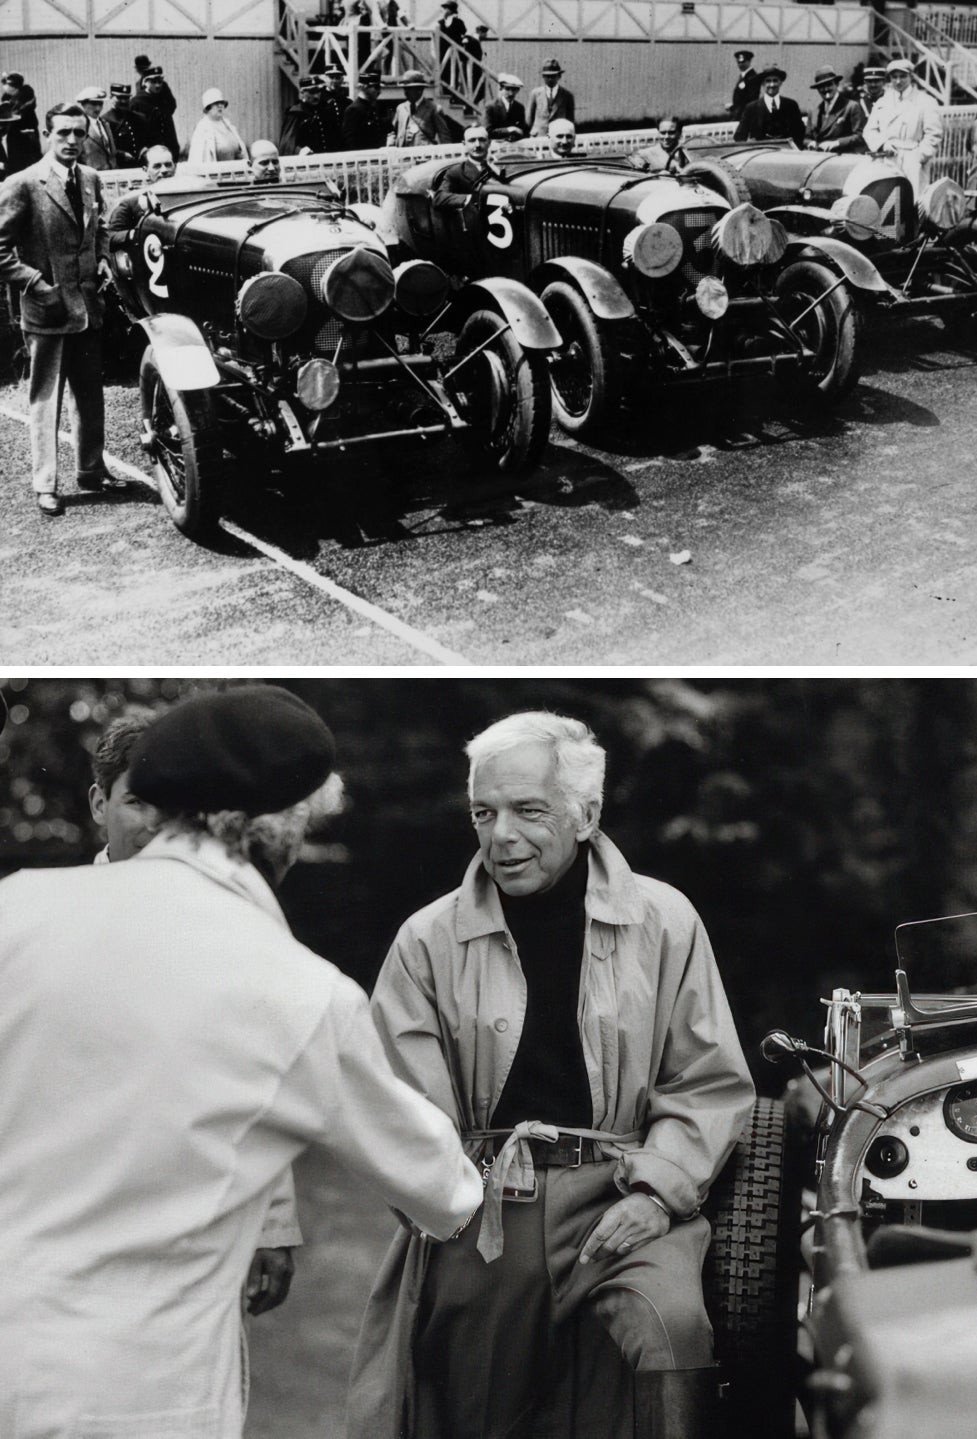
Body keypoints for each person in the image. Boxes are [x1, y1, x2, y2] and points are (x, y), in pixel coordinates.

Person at [0, 684, 483, 1439]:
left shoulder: (20, 907)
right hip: (136, 1392)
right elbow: (442, 1189)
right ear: (280, 827)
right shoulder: (298, 991)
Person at [349, 711, 755, 1439]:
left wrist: (658, 1194)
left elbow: (706, 1081)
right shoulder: (427, 938)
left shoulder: (663, 919)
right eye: (483, 811)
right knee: (476, 1396)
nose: (500, 834)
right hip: (487, 1202)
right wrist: (450, 1205)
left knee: (672, 1332)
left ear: (586, 813)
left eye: (527, 810)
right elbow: (400, 1106)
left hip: (626, 1186)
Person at [85, 706, 304, 1312]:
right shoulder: (51, 920)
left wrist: (274, 1225)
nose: (158, 827)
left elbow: (259, 1076)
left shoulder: (230, 926)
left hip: (197, 1224)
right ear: (99, 803)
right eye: (137, 803)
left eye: (175, 809)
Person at [0, 102, 128, 516]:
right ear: (47, 136)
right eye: (63, 133)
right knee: (46, 399)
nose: (72, 141)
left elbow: (101, 227)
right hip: (48, 310)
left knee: (90, 396)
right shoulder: (22, 184)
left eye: (78, 133)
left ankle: (92, 470)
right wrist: (35, 284)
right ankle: (46, 484)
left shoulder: (89, 178)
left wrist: (105, 257)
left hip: (88, 308)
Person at [862, 58, 943, 196]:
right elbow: (869, 130)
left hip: (911, 159)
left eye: (903, 76)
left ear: (911, 76)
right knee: (886, 201)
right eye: (894, 77)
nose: (898, 81)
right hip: (886, 158)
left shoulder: (925, 101)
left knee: (911, 202)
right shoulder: (883, 102)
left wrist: (920, 156)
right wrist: (882, 144)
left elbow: (933, 134)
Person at [106, 144, 176, 244]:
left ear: (175, 166)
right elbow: (109, 236)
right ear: (145, 170)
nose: (164, 170)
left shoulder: (190, 195)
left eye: (168, 165)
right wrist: (135, 234)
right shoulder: (132, 201)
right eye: (157, 166)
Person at [432, 123, 501, 208]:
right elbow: (439, 197)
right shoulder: (456, 172)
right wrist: (468, 199)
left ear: (489, 143)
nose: (477, 145)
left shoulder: (498, 168)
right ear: (464, 144)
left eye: (482, 140)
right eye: (472, 140)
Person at [734, 64, 806, 147]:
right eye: (768, 81)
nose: (772, 84)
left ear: (780, 83)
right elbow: (739, 136)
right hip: (761, 154)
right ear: (763, 84)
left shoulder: (791, 105)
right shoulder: (751, 108)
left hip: (786, 154)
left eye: (775, 80)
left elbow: (800, 133)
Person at [806, 65, 865, 152]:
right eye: (821, 86)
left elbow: (859, 136)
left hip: (841, 158)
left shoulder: (851, 106)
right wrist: (810, 143)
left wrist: (836, 143)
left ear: (836, 84)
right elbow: (806, 138)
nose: (825, 89)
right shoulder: (814, 111)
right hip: (818, 158)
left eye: (829, 85)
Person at [387, 69, 453, 147]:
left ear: (419, 90)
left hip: (424, 156)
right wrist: (390, 143)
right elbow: (393, 131)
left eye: (409, 89)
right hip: (403, 155)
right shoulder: (401, 108)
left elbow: (444, 137)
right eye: (404, 89)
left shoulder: (434, 109)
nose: (405, 92)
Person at [130, 63, 179, 160]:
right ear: (145, 83)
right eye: (153, 82)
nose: (157, 85)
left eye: (160, 82)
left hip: (169, 149)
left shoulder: (164, 100)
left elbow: (170, 112)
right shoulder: (136, 103)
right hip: (150, 151)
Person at [189, 88, 248, 165]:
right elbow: (200, 160)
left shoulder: (228, 125)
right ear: (208, 107)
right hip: (215, 173)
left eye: (222, 103)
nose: (220, 106)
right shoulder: (202, 129)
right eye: (216, 103)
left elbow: (241, 151)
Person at [0, 71, 41, 178]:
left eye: (8, 84)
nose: (5, 86)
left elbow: (18, 112)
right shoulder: (6, 98)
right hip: (13, 133)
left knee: (28, 163)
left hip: (26, 133)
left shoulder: (26, 96)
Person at [527, 58, 575, 138]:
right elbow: (529, 118)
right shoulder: (535, 93)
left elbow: (570, 121)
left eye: (553, 76)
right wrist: (536, 130)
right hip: (538, 136)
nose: (550, 79)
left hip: (558, 137)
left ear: (559, 76)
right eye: (547, 76)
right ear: (543, 76)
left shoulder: (567, 95)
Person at [103, 82, 148, 167]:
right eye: (119, 98)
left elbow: (149, 139)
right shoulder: (105, 120)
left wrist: (145, 149)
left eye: (126, 97)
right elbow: (105, 146)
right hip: (119, 166)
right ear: (111, 97)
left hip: (141, 164)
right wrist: (121, 154)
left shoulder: (139, 118)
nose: (124, 101)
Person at [342, 70, 388, 150]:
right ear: (365, 87)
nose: (379, 91)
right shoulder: (353, 110)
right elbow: (351, 142)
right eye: (376, 87)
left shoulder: (375, 108)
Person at [76, 86, 119, 170]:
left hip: (112, 174)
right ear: (83, 104)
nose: (98, 108)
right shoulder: (79, 127)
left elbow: (108, 151)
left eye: (100, 104)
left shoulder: (105, 124)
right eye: (94, 104)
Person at [484, 74, 528, 142]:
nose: (511, 93)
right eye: (507, 89)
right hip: (495, 146)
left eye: (514, 90)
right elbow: (488, 131)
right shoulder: (491, 107)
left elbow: (523, 130)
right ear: (501, 89)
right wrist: (509, 130)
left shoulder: (519, 107)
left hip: (514, 146)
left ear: (518, 91)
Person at [726, 48, 760, 120]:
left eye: (743, 62)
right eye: (738, 62)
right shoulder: (743, 76)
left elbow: (751, 99)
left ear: (749, 61)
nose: (740, 64)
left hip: (746, 115)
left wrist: (734, 108)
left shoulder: (752, 77)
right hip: (740, 114)